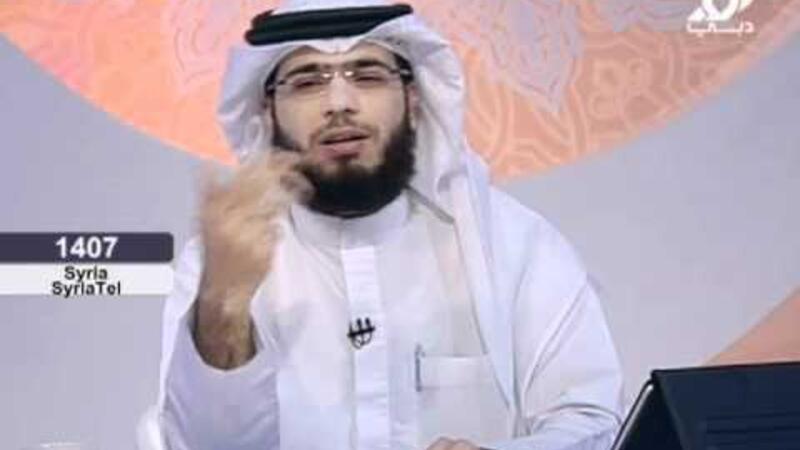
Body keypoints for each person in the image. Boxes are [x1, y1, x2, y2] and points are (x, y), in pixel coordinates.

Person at [157, 1, 623, 449]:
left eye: (367, 75)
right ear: (267, 109)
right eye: (307, 82)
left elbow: (593, 423)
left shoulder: (515, 244)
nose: (339, 103)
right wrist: (222, 306)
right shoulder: (223, 261)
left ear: (414, 99)